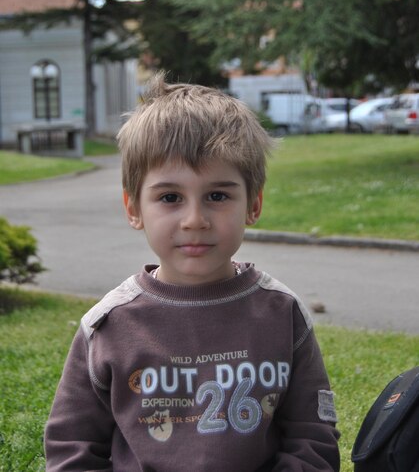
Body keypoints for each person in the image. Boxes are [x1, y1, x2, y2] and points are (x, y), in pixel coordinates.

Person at [44, 73, 340, 471]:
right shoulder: (108, 326)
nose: (194, 219)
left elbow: (312, 437)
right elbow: (71, 446)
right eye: (170, 197)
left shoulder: (283, 314)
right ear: (133, 208)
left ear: (253, 205)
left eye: (217, 196)